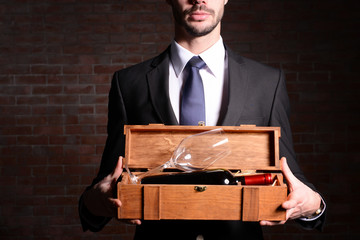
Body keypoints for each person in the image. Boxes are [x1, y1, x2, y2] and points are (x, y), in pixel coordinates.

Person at [79, 0, 326, 239]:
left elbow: (295, 180)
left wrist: (312, 204)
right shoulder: (128, 83)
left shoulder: (267, 83)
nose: (199, 0)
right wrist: (97, 201)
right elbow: (104, 185)